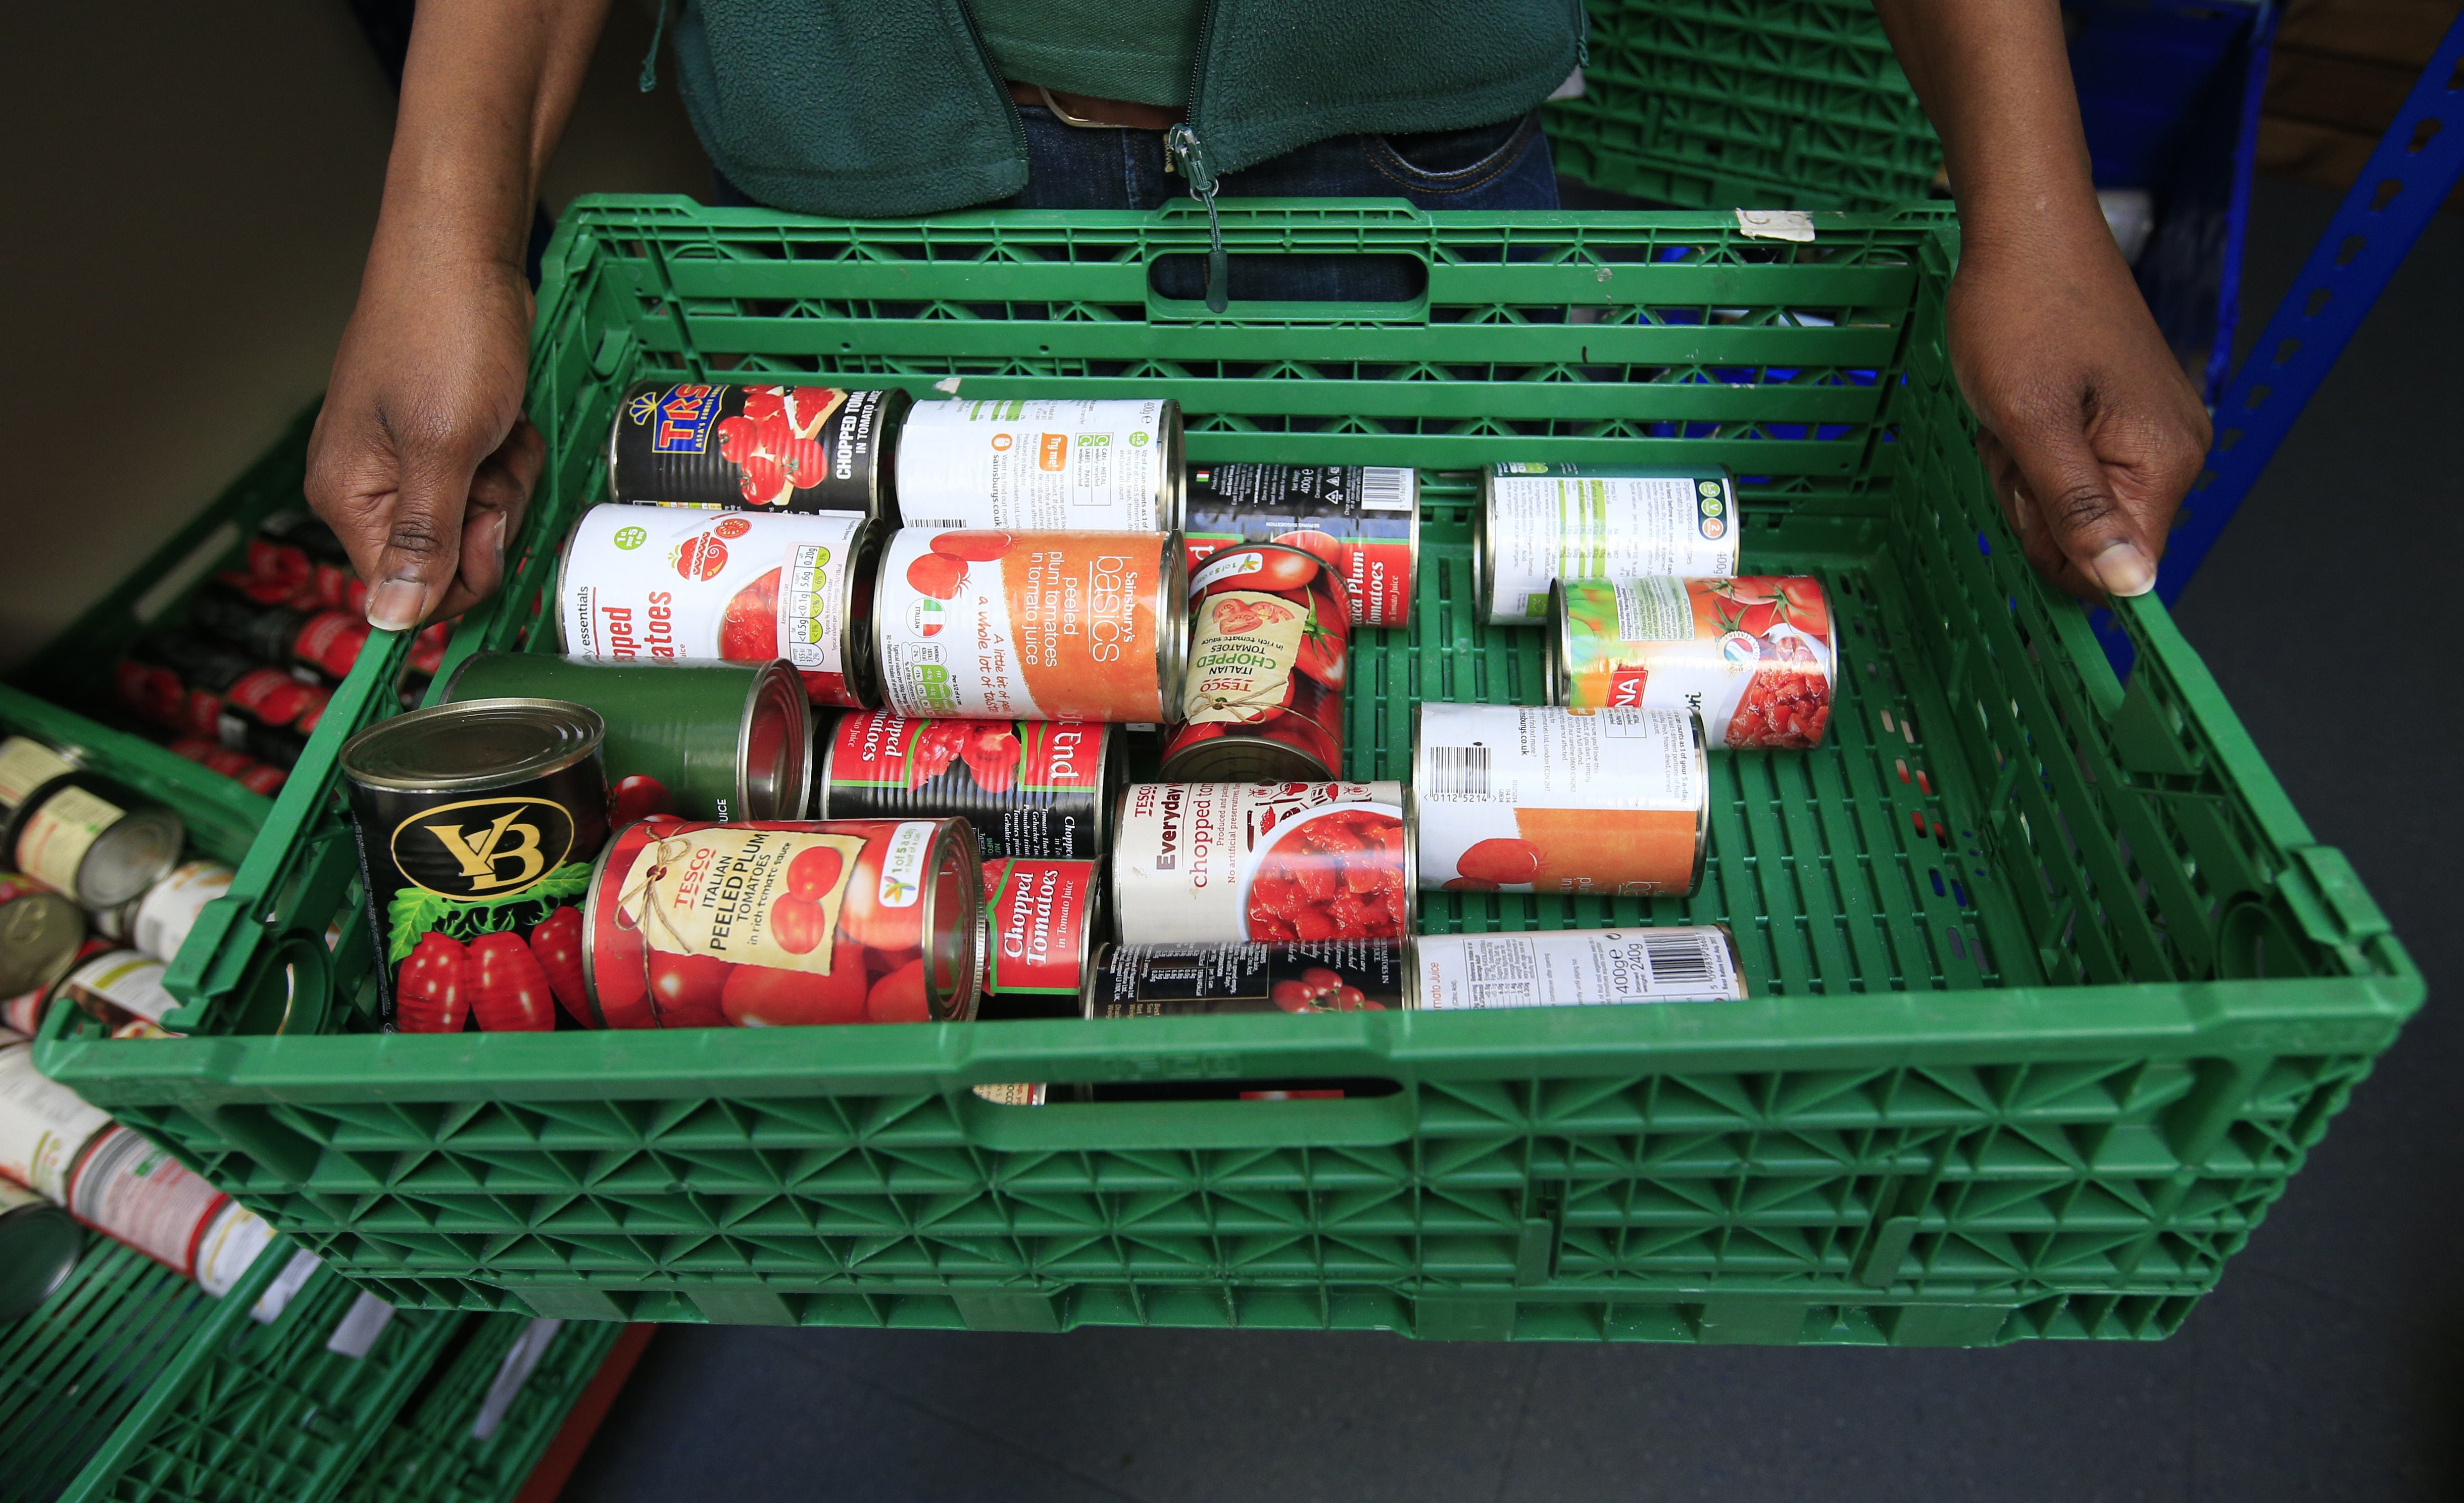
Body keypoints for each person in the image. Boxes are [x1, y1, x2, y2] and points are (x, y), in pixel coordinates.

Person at [308, 0, 2208, 631]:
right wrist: (442, 228)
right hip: (868, 194)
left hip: (1402, 173)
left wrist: (2030, 199)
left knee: (1393, 660)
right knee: (920, 705)